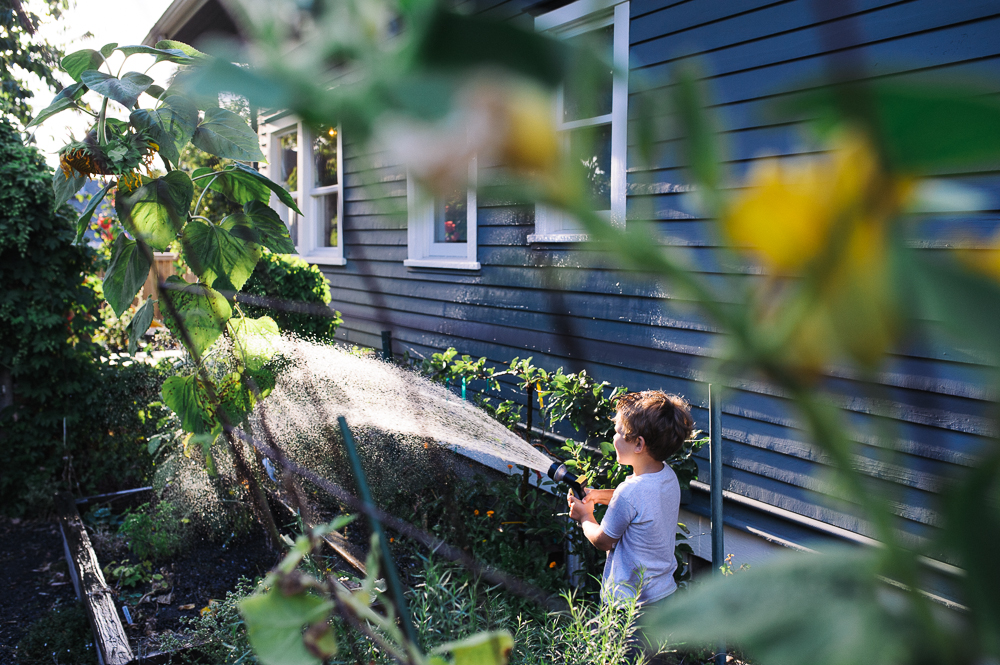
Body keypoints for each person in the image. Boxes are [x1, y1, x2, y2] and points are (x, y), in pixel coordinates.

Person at [567, 390, 694, 609]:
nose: (614, 437)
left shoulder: (630, 492)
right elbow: (638, 502)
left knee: (621, 645)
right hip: (663, 594)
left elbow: (603, 541)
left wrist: (585, 516)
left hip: (630, 605)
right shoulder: (666, 475)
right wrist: (597, 495)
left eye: (618, 432)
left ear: (638, 444)